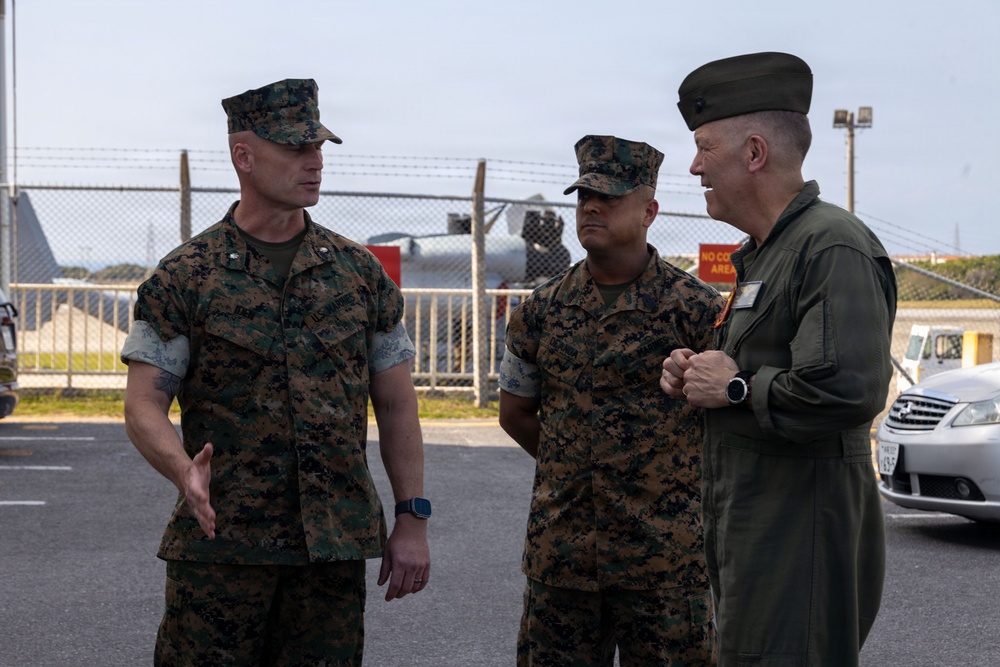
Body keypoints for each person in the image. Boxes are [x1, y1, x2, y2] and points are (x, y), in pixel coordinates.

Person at [121, 78, 431, 666]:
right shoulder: (185, 276)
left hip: (330, 555)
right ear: (244, 156)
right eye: (295, 149)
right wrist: (182, 470)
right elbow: (143, 406)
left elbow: (396, 406)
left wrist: (412, 518)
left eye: (318, 148)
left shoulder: (359, 274)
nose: (314, 163)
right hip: (223, 550)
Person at [661, 52, 896, 666]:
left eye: (705, 148)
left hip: (800, 538)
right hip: (757, 533)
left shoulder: (830, 245)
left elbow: (849, 389)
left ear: (755, 152)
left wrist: (737, 389)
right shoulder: (766, 252)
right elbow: (763, 365)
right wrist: (700, 373)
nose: (694, 166)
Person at [498, 134, 723, 666]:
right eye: (582, 196)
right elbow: (515, 413)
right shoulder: (541, 311)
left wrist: (654, 478)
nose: (591, 207)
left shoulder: (695, 309)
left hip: (666, 559)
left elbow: (724, 423)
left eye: (609, 197)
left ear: (649, 211)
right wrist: (582, 466)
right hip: (563, 558)